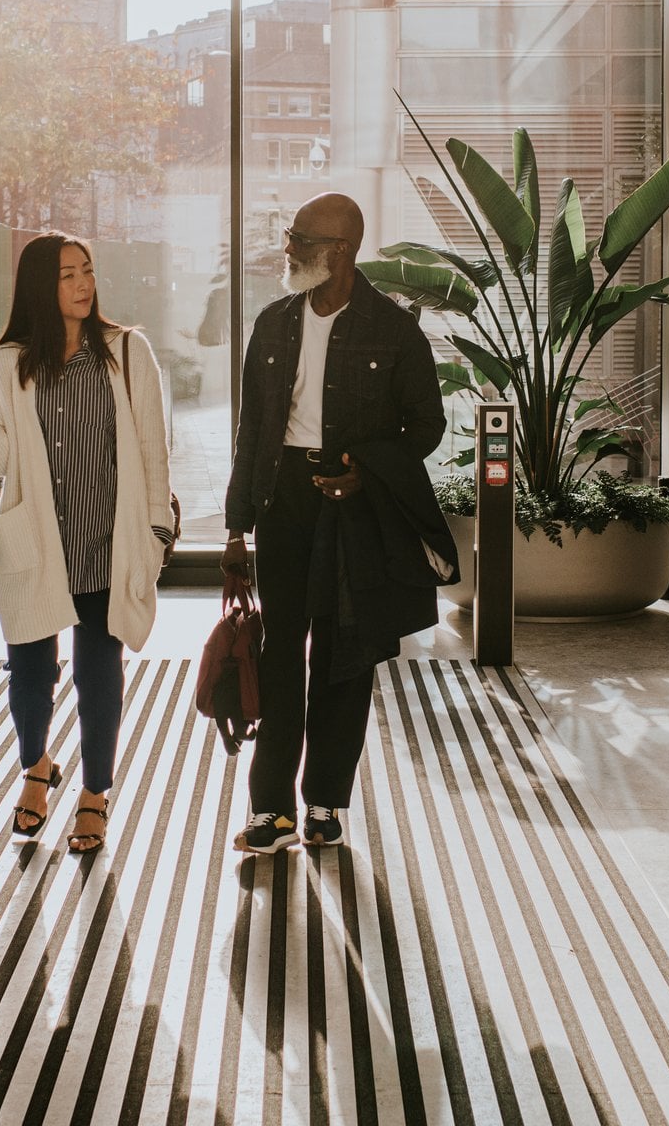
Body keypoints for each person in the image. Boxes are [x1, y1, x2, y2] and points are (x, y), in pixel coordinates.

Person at [0, 231, 174, 852]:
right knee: (28, 670)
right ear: (38, 287)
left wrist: (156, 531)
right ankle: (36, 768)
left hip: (110, 538)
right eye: (67, 275)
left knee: (97, 668)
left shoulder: (128, 352)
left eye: (87, 271)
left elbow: (154, 450)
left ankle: (94, 794)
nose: (83, 284)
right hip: (37, 539)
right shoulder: (10, 362)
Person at [221, 192, 457, 854]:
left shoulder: (394, 331)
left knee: (344, 656)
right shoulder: (273, 325)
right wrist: (237, 529)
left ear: (341, 254)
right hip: (283, 501)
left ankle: (324, 803)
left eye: (300, 239)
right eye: (290, 237)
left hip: (354, 504)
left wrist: (368, 471)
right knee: (279, 654)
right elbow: (251, 430)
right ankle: (270, 811)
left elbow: (427, 425)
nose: (288, 248)